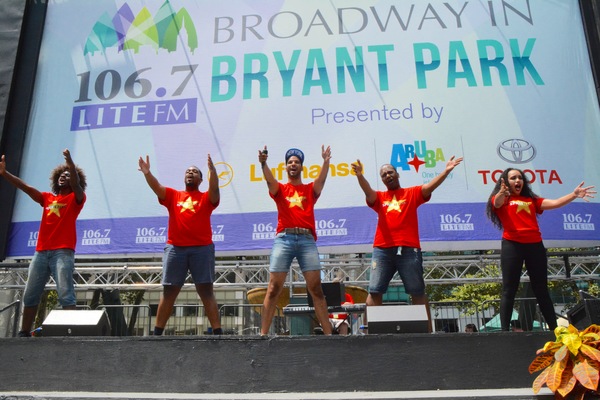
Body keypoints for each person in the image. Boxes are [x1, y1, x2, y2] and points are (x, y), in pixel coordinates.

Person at [351, 156, 463, 331]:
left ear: (397, 174)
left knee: (417, 291)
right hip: (382, 250)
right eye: (384, 175)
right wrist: (359, 176)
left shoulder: (412, 193)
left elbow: (429, 187)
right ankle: (371, 332)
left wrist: (446, 170)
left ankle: (426, 333)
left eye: (390, 172)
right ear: (382, 179)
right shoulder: (380, 197)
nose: (388, 175)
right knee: (374, 290)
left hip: (409, 249)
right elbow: (368, 192)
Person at [486, 168, 595, 332]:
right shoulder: (502, 198)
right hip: (512, 245)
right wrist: (502, 192)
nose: (518, 180)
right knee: (509, 288)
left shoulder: (531, 200)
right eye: (513, 178)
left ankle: (554, 330)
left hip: (535, 246)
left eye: (520, 178)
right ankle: (504, 332)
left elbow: (555, 202)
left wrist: (574, 195)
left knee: (541, 289)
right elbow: (496, 203)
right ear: (506, 182)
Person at [0, 149, 86, 337]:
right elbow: (26, 187)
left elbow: (77, 186)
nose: (64, 177)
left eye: (68, 175)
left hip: (63, 252)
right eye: (61, 175)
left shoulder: (76, 198)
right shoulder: (47, 198)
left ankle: (72, 333)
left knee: (65, 293)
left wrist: (70, 163)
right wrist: (5, 174)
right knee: (30, 294)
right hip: (41, 253)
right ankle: (23, 333)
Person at [138, 154, 222, 336]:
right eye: (187, 171)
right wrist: (147, 173)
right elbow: (157, 187)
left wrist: (213, 171)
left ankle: (218, 333)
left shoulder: (206, 197)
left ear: (201, 179)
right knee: (169, 291)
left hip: (202, 248)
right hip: (175, 249)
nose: (190, 173)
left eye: (194, 172)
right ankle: (157, 334)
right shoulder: (173, 195)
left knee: (206, 291)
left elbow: (215, 189)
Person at [257, 145, 333, 335]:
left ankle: (330, 336)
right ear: (286, 167)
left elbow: (322, 180)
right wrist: (264, 163)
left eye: (297, 162)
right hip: (284, 239)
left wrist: (325, 162)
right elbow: (269, 180)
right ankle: (262, 335)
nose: (293, 164)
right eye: (290, 162)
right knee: (273, 288)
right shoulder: (281, 189)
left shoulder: (309, 189)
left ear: (301, 167)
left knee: (316, 289)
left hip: (307, 240)